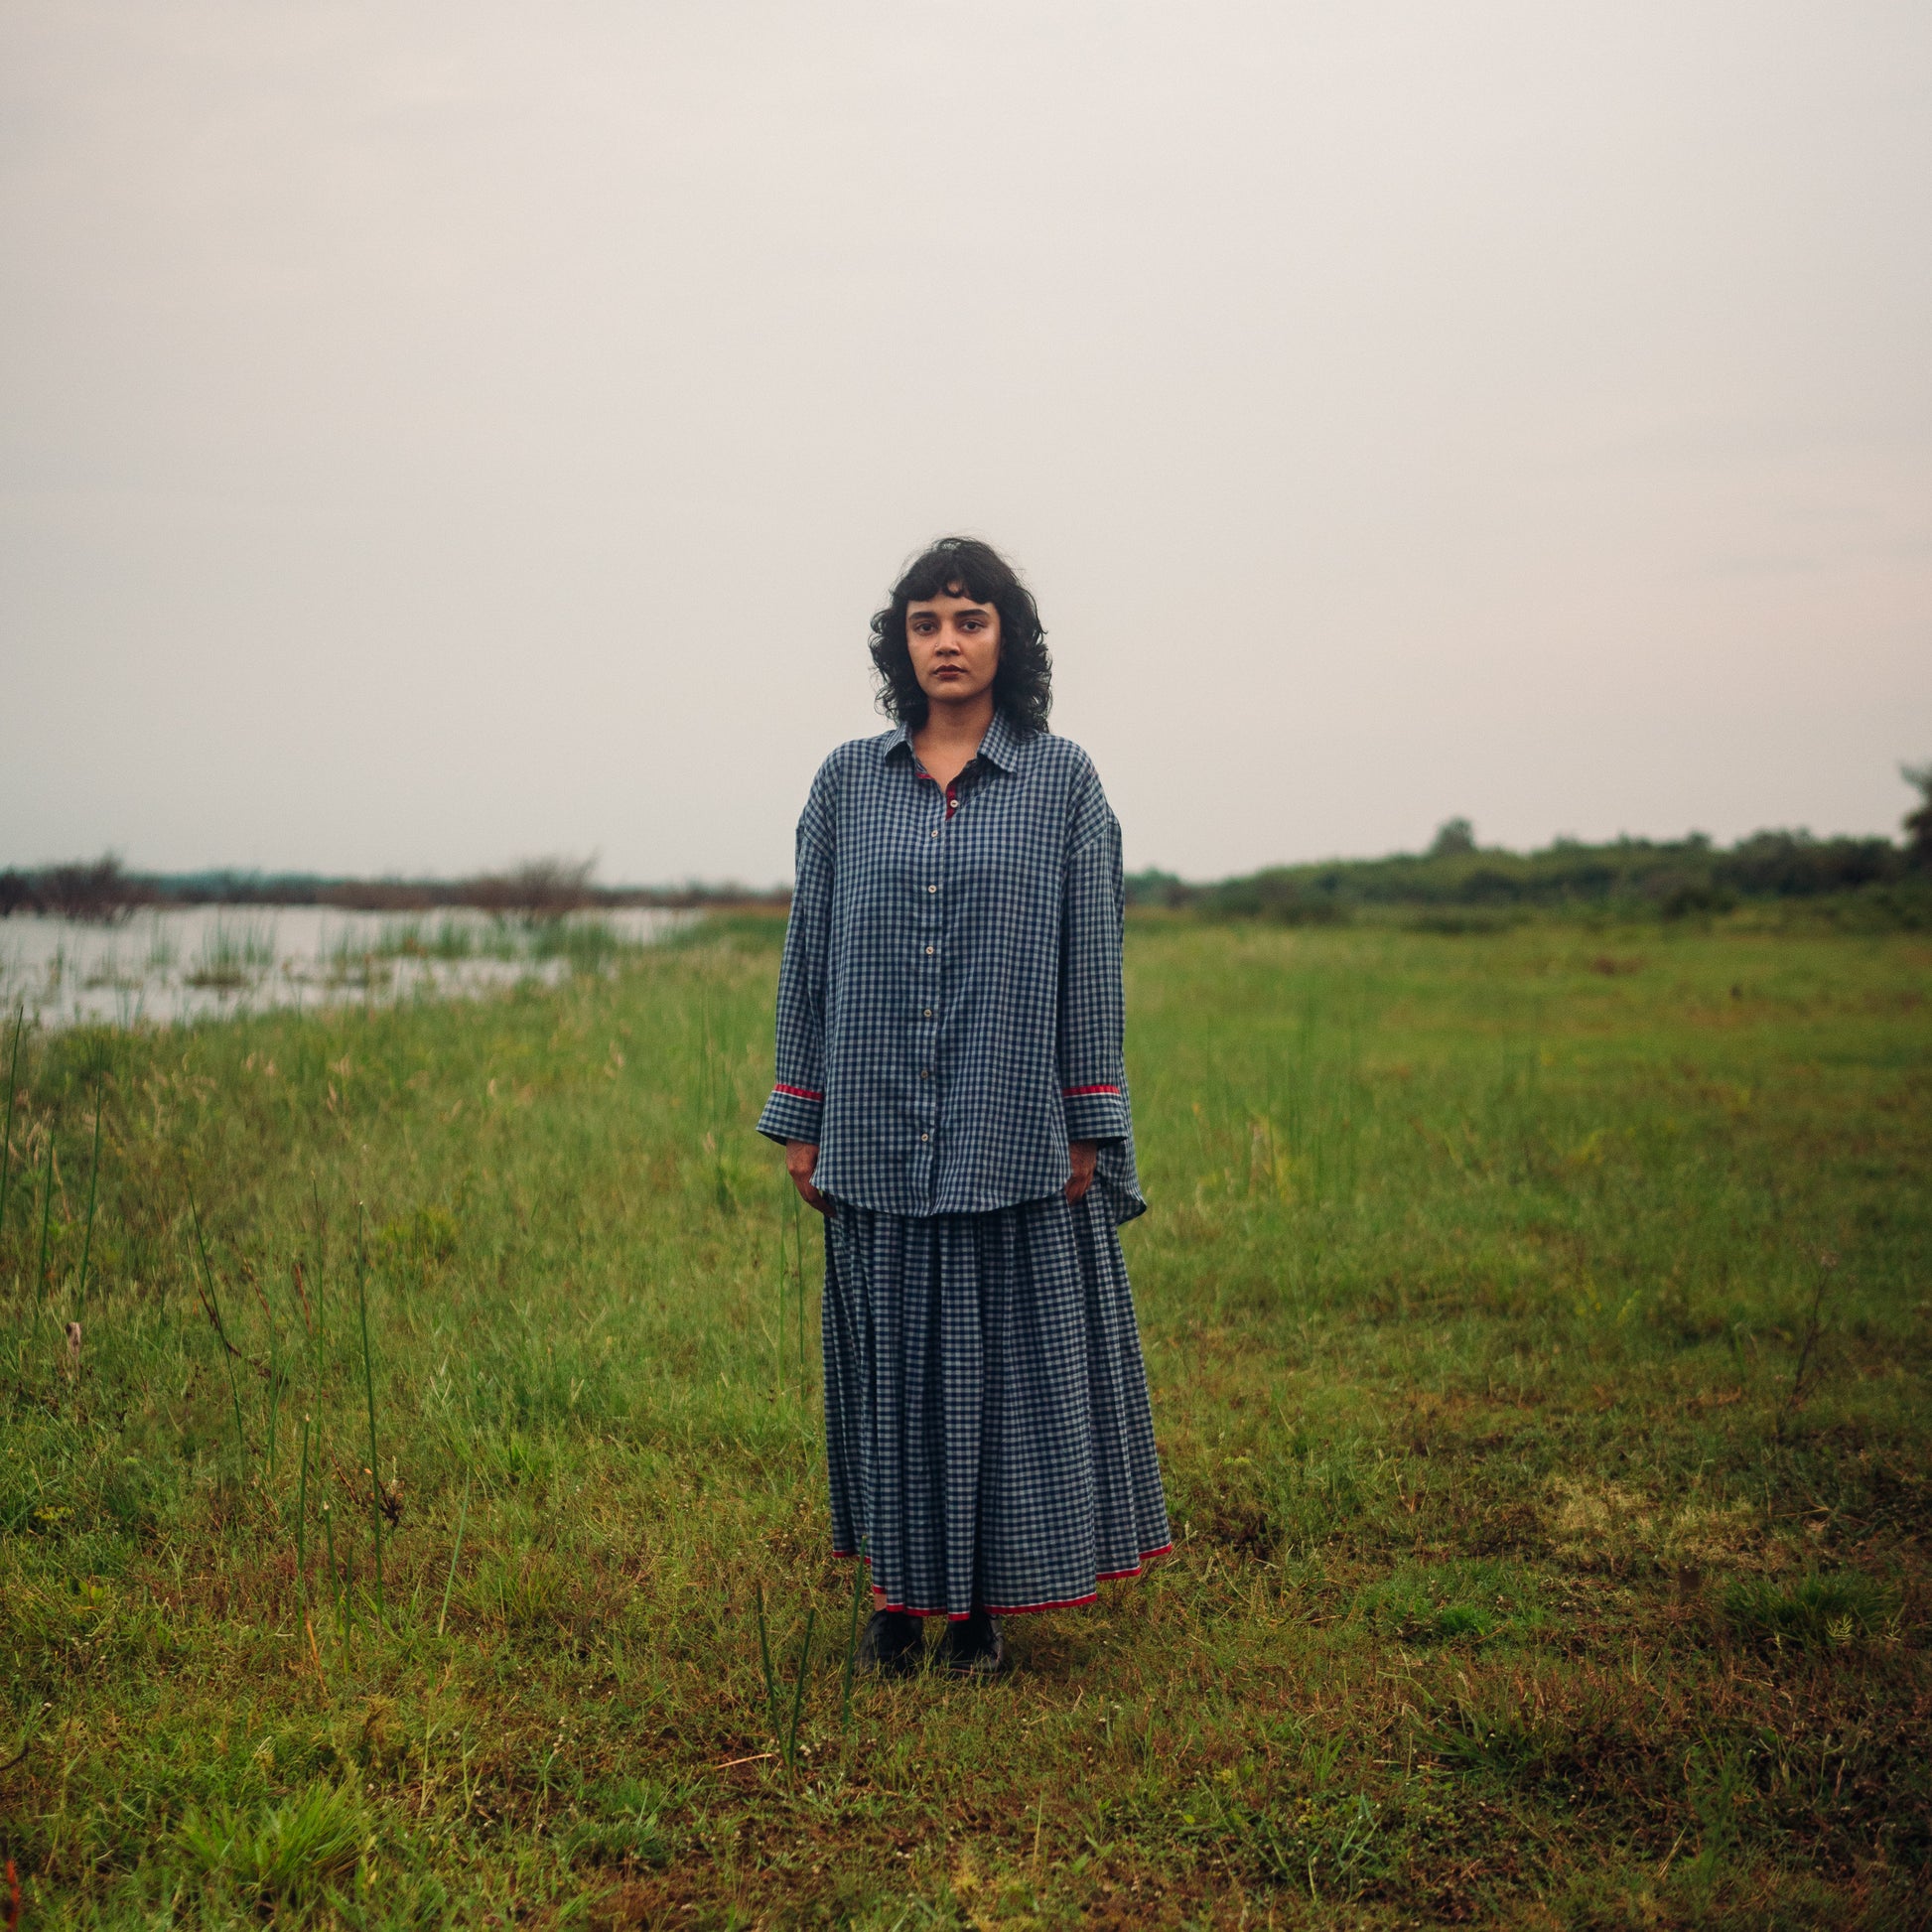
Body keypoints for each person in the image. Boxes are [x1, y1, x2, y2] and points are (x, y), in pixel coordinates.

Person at [757, 536, 1171, 1676]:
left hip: (1009, 1125)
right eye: (928, 621)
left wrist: (1089, 1115)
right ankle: (894, 1600)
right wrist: (802, 1108)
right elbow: (810, 956)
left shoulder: (1062, 781)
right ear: (901, 641)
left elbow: (1091, 957)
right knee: (889, 1363)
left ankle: (977, 1608)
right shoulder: (847, 782)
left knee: (991, 1366)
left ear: (1006, 638)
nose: (947, 640)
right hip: (876, 1126)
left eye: (971, 619)